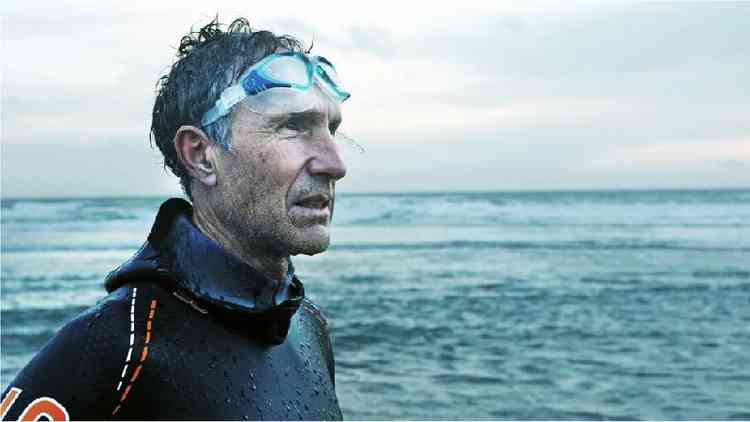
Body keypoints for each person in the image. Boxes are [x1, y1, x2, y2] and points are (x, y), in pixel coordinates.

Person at [1, 17, 349, 421]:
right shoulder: (125, 345)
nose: (335, 163)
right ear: (201, 155)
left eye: (332, 130)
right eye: (293, 126)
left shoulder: (306, 328)